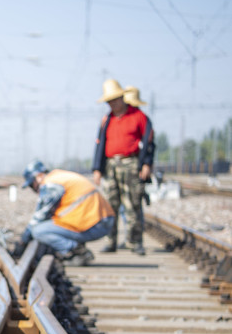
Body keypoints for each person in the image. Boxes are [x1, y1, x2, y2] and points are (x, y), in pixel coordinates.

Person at [91, 79, 154, 255]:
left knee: (132, 204)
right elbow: (99, 145)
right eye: (109, 101)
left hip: (131, 164)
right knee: (110, 206)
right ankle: (110, 241)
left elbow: (149, 142)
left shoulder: (138, 116)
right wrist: (97, 169)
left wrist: (146, 164)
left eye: (114, 100)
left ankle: (135, 242)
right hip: (111, 165)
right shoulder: (106, 120)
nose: (112, 104)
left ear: (122, 98)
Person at [18, 160, 115, 266]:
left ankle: (76, 251)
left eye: (32, 184)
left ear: (39, 176)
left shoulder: (50, 184)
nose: (34, 189)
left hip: (96, 225)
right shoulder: (59, 177)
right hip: (102, 220)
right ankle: (77, 248)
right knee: (52, 223)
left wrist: (24, 239)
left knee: (38, 231)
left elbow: (40, 215)